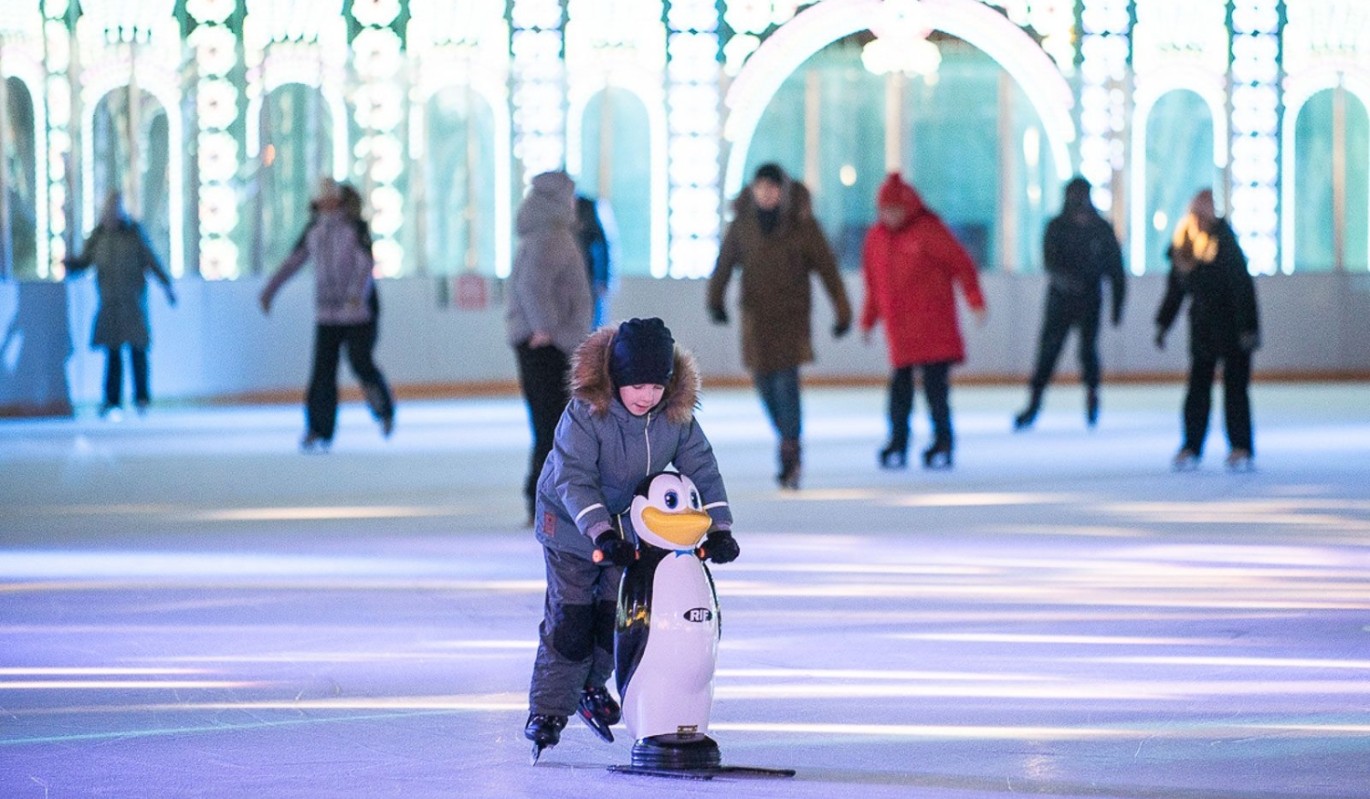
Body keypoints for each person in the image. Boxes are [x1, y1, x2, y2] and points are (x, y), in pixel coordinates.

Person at [523, 316, 738, 753]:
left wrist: (720, 529)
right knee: (572, 619)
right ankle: (548, 709)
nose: (647, 396)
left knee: (612, 619)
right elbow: (574, 478)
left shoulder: (673, 416)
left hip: (626, 531)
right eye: (637, 385)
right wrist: (600, 533)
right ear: (617, 377)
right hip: (569, 526)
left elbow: (701, 466)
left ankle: (589, 687)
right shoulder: (587, 413)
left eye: (656, 386)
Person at [707, 162, 852, 489]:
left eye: (772, 188)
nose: (766, 193)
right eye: (761, 187)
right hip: (756, 320)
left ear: (782, 191)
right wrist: (715, 301)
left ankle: (790, 451)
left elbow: (828, 269)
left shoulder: (802, 224)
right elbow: (724, 264)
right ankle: (788, 439)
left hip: (791, 319)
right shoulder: (743, 225)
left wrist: (842, 312)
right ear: (754, 189)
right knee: (764, 385)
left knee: (786, 385)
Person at [859, 173, 986, 470]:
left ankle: (943, 441)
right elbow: (875, 286)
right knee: (899, 393)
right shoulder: (876, 239)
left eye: (894, 209)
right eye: (884, 210)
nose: (889, 216)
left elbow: (961, 264)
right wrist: (867, 321)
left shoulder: (929, 230)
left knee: (935, 392)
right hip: (900, 332)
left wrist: (975, 300)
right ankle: (898, 442)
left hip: (933, 328)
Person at [259, 177, 394, 451]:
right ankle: (317, 429)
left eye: (331, 198)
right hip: (327, 314)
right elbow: (293, 262)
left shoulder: (355, 228)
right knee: (322, 372)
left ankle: (383, 410)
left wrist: (357, 295)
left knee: (360, 362)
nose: (327, 203)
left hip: (359, 315)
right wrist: (270, 290)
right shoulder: (314, 231)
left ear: (340, 201)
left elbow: (365, 265)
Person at [507, 171, 594, 521]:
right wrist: (546, 328)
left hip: (546, 342)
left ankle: (545, 501)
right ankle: (547, 502)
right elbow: (532, 285)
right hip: (551, 346)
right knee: (555, 427)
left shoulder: (541, 234)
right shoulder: (552, 237)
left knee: (551, 425)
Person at [1155, 188, 1261, 471]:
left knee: (1235, 389)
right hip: (1203, 329)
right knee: (1198, 389)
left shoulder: (1225, 244)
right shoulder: (1184, 247)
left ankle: (1240, 446)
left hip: (1233, 329)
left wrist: (1248, 329)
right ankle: (1191, 446)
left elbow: (1242, 288)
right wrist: (1163, 324)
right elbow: (1176, 291)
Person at [1013, 176, 1126, 430]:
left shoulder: (1100, 228)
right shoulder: (1057, 226)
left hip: (1089, 300)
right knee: (1047, 354)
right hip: (1061, 300)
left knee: (1088, 352)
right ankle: (1033, 405)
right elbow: (1050, 263)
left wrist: (1117, 307)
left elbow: (1115, 270)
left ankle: (1092, 399)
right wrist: (1067, 282)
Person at [65, 190, 176, 417]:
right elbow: (84, 262)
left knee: (138, 352)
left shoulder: (134, 234)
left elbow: (152, 260)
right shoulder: (98, 237)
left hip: (133, 305)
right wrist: (71, 264)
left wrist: (167, 285)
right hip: (110, 306)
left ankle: (142, 399)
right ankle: (112, 400)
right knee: (113, 354)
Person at [575, 194, 614, 329]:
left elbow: (601, 243)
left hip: (588, 278)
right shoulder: (551, 210)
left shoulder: (586, 207)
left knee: (591, 326)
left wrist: (603, 278)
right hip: (574, 280)